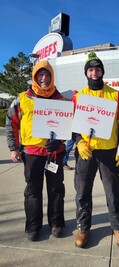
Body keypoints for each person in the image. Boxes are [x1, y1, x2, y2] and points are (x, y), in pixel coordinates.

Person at [5, 60, 66, 241]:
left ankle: (56, 222)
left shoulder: (61, 100)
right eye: (40, 74)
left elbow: (68, 126)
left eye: (47, 74)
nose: (44, 78)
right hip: (32, 153)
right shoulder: (22, 98)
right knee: (32, 190)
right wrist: (13, 148)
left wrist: (59, 140)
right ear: (35, 77)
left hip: (55, 153)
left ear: (52, 76)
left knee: (56, 189)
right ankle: (33, 225)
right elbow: (11, 123)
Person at [72, 52, 119, 249]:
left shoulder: (114, 94)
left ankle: (118, 227)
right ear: (86, 73)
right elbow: (72, 124)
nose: (94, 72)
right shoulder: (78, 96)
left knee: (113, 191)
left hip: (109, 151)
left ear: (102, 71)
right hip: (86, 151)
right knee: (82, 192)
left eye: (97, 69)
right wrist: (78, 141)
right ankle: (83, 227)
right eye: (90, 69)